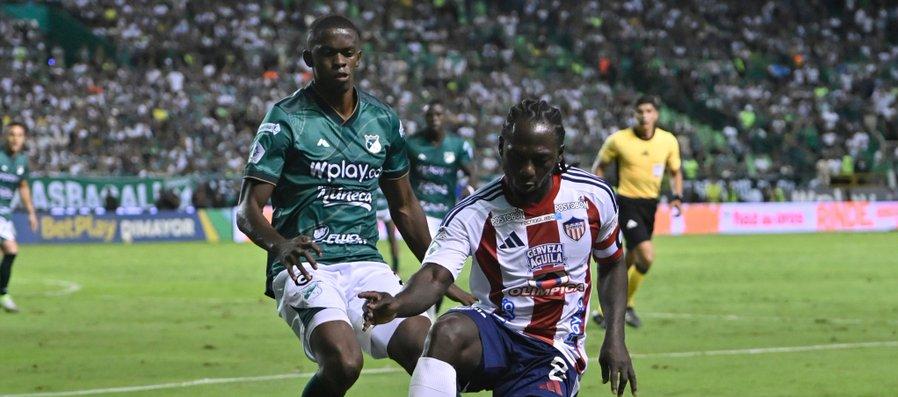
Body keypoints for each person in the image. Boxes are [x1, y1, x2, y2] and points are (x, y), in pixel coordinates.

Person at [235, 15, 473, 397]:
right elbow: (247, 210)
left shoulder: (382, 121)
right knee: (345, 362)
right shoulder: (285, 120)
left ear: (359, 58)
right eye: (328, 53)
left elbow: (406, 207)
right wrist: (280, 246)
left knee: (433, 351)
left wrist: (439, 274)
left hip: (365, 264)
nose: (339, 61)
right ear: (309, 58)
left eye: (347, 53)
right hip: (307, 265)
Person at [360, 99, 637, 397]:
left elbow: (611, 262)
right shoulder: (474, 212)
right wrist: (397, 304)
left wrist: (615, 337)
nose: (527, 170)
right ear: (501, 147)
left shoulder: (593, 197)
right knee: (447, 331)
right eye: (517, 157)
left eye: (540, 159)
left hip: (552, 347)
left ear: (559, 156)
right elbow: (434, 277)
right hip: (493, 331)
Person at [591, 95, 682, 328]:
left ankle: (605, 310)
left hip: (650, 205)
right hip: (627, 202)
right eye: (640, 111)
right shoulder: (618, 140)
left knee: (629, 259)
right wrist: (601, 195)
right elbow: (599, 166)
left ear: (656, 114)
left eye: (649, 111)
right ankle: (624, 306)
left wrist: (677, 196)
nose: (644, 115)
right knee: (646, 256)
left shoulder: (668, 141)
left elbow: (675, 171)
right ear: (634, 114)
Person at [406, 99, 475, 313]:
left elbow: (470, 171)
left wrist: (469, 186)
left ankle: (431, 310)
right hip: (420, 212)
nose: (434, 119)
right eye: (430, 115)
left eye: (438, 115)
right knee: (429, 266)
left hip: (444, 214)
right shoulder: (412, 143)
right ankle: (426, 310)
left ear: (444, 117)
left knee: (436, 268)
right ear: (425, 118)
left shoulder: (458, 145)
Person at [0, 122, 39, 313]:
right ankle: (3, 294)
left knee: (11, 252)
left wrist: (31, 213)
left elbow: (23, 186)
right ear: (5, 137)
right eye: (12, 134)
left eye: (19, 135)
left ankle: (2, 293)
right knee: (10, 249)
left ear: (24, 139)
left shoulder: (22, 161)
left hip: (4, 213)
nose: (15, 138)